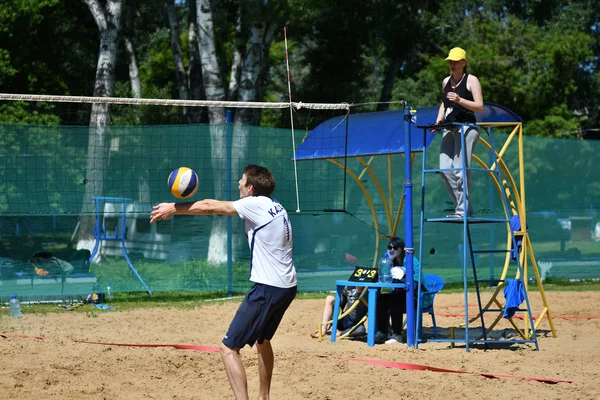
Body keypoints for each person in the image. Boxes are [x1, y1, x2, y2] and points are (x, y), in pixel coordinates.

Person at [150, 164, 297, 400]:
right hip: (287, 286)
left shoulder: (254, 204)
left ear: (250, 188)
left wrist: (174, 207)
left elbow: (209, 207)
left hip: (268, 287)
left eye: (242, 180)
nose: (238, 183)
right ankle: (264, 397)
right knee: (262, 340)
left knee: (228, 348)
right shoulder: (276, 205)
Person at [434, 47, 484, 218]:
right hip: (450, 127)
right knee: (444, 169)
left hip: (466, 127)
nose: (452, 64)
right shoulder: (446, 81)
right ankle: (463, 208)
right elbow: (444, 104)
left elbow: (479, 106)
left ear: (464, 63)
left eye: (455, 61)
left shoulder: (471, 80)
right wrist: (438, 121)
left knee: (459, 169)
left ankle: (462, 210)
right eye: (450, 61)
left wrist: (460, 99)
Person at [374, 237, 430, 344]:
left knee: (395, 298)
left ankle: (397, 334)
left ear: (402, 249)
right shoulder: (389, 261)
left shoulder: (411, 260)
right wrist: (387, 263)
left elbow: (415, 283)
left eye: (394, 247)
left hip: (418, 297)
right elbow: (383, 278)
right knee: (381, 298)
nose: (391, 250)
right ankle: (382, 332)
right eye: (389, 247)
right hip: (400, 296)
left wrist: (401, 278)